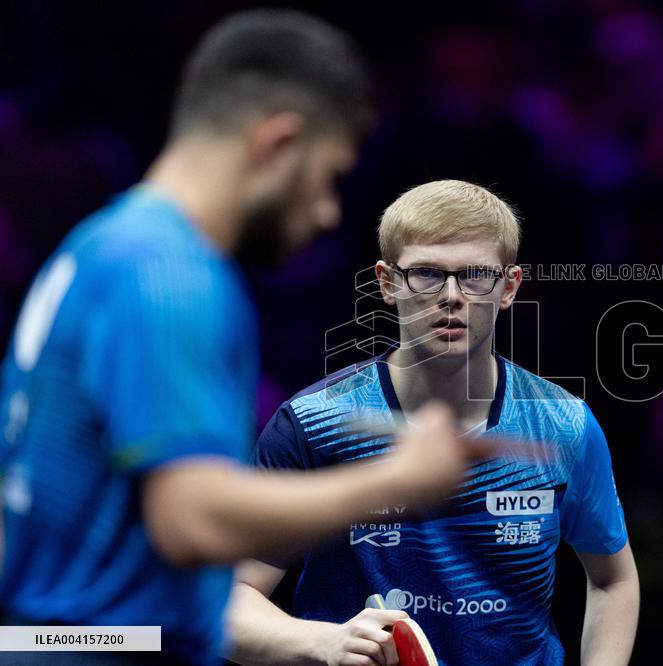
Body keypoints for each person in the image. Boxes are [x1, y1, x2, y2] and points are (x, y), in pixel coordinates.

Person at [0, 11, 479, 665]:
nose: (329, 213)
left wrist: (313, 641)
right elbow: (192, 518)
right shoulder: (169, 274)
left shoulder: (102, 245)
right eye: (330, 177)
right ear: (279, 144)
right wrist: (401, 477)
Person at [227, 180, 641, 665]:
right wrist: (322, 642)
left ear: (509, 287)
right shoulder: (314, 424)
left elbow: (613, 579)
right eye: (426, 273)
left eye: (476, 275)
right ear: (386, 282)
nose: (451, 296)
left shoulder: (563, 425)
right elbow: (229, 601)